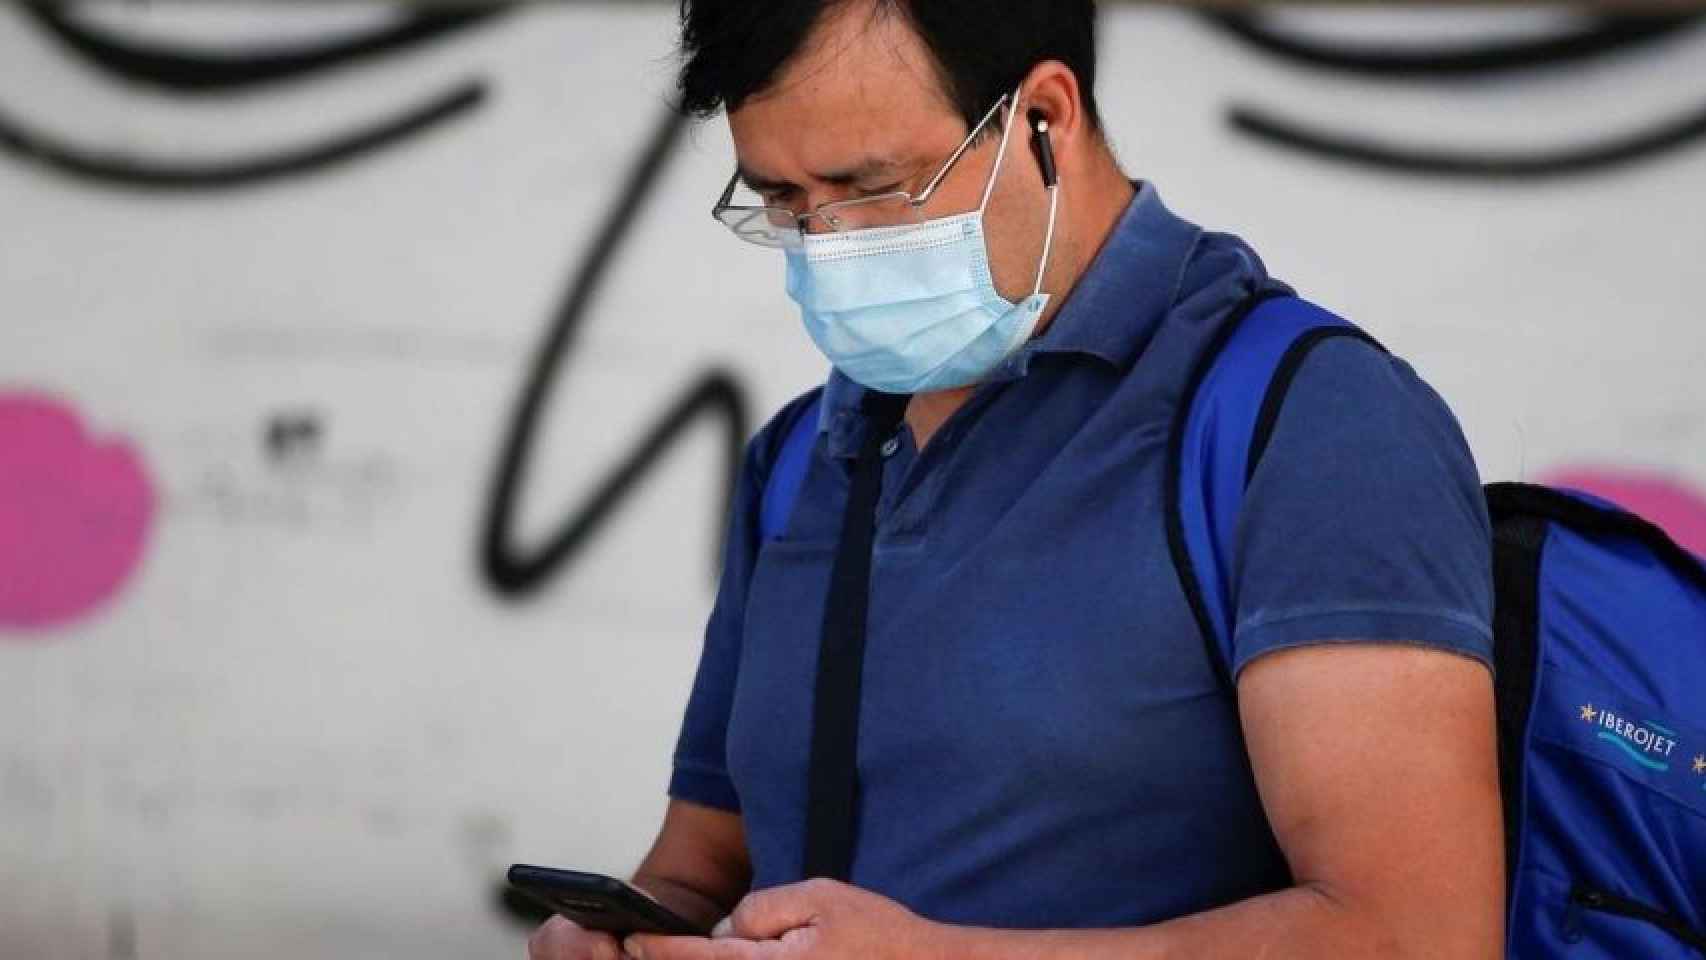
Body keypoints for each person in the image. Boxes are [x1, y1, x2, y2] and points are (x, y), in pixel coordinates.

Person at [530, 1, 1504, 957]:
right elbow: (705, 871)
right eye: (783, 200)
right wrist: (631, 930)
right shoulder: (802, 456)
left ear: (1042, 116)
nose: (827, 245)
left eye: (872, 186)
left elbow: (1413, 934)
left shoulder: (1305, 422)